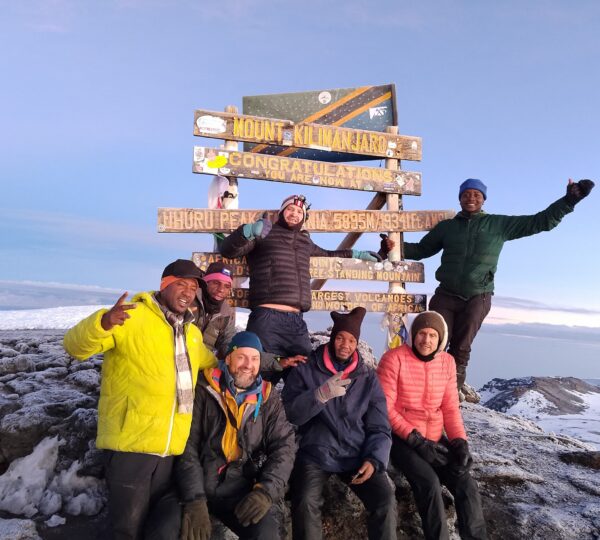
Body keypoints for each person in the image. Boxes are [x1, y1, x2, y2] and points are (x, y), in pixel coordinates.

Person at [63, 259, 217, 540]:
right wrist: (103, 323)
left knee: (155, 527)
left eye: (193, 287)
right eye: (181, 284)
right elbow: (74, 346)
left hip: (171, 449)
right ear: (164, 284)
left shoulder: (192, 334)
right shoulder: (131, 317)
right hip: (131, 445)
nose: (187, 292)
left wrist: (266, 363)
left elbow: (215, 363)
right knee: (126, 529)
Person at [401, 178, 595, 391]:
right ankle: (420, 389)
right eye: (466, 194)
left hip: (478, 297)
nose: (471, 198)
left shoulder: (498, 224)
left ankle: (450, 394)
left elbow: (541, 222)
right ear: (460, 199)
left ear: (483, 199)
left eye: (476, 194)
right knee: (432, 341)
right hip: (446, 295)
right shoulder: (447, 227)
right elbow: (421, 250)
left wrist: (569, 201)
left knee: (461, 348)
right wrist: (393, 246)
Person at [219, 194, 382, 378]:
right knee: (262, 377)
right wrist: (248, 231)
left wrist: (357, 254)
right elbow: (227, 250)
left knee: (305, 376)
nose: (294, 214)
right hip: (266, 319)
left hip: (296, 322)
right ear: (281, 212)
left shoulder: (305, 241)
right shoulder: (264, 231)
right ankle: (259, 407)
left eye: (299, 212)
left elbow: (329, 255)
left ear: (303, 218)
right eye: (290, 209)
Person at [155, 331, 295, 540]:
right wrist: (194, 498)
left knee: (266, 533)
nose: (248, 364)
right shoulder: (203, 388)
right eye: (241, 357)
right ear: (228, 358)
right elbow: (187, 444)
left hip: (237, 487)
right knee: (164, 529)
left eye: (254, 358)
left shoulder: (267, 397)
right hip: (195, 481)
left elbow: (285, 446)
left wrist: (265, 492)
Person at [282, 307, 397, 540]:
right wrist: (319, 395)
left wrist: (374, 459)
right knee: (304, 502)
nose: (345, 344)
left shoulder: (366, 377)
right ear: (333, 338)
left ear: (357, 343)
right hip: (316, 452)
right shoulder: (306, 369)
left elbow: (379, 425)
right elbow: (290, 413)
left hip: (356, 452)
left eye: (352, 340)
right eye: (340, 338)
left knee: (384, 499)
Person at [377, 311, 487, 540]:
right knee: (429, 484)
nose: (426, 340)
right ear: (414, 335)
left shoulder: (446, 362)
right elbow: (385, 409)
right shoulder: (394, 359)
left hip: (435, 438)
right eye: (422, 334)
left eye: (432, 336)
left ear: (440, 340)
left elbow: (450, 408)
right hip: (401, 439)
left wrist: (459, 442)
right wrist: (415, 439)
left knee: (465, 483)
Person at [191, 260, 306, 375]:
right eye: (216, 283)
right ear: (205, 282)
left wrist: (277, 361)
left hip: (200, 369)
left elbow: (232, 348)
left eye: (226, 286)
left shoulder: (225, 314)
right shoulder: (188, 300)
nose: (221, 289)